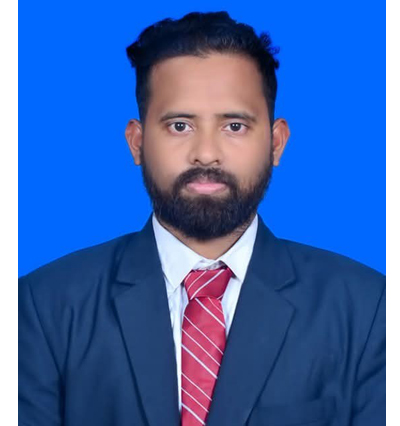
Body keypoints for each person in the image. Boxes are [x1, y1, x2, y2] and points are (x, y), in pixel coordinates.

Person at [19, 11, 385, 426]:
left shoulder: (368, 309)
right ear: (137, 142)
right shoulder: (43, 307)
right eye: (180, 125)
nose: (206, 154)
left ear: (276, 143)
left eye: (234, 126)